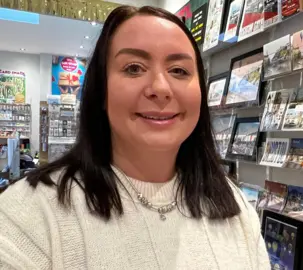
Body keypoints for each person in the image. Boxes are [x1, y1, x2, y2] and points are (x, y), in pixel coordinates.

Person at [0, 6, 270, 270]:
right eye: (133, 68)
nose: (161, 89)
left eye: (179, 70)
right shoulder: (29, 215)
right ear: (101, 92)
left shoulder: (234, 206)